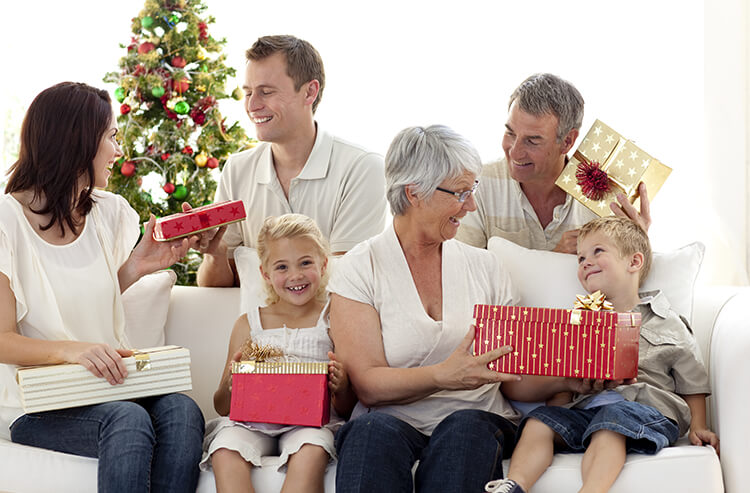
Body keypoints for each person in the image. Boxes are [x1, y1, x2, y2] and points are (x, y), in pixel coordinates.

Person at [0, 82, 205, 492]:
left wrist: (137, 267)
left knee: (183, 411)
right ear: (76, 140)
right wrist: (73, 351)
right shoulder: (7, 220)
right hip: (34, 404)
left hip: (104, 388)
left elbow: (76, 294)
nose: (119, 149)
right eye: (111, 136)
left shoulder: (108, 212)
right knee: (126, 420)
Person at [328, 125, 523, 493]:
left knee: (464, 428)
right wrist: (443, 375)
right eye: (461, 193)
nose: (471, 205)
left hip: (477, 418)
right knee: (370, 433)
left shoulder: (486, 267)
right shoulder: (359, 267)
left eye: (473, 189)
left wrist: (569, 379)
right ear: (414, 193)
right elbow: (368, 384)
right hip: (389, 419)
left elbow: (514, 371)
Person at [487, 216, 718, 493]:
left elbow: (691, 379)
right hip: (586, 410)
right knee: (538, 422)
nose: (585, 261)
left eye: (598, 251)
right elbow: (562, 385)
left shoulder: (665, 319)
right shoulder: (574, 323)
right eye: (580, 257)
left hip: (646, 409)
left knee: (611, 421)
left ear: (634, 262)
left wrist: (699, 425)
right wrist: (557, 415)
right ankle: (514, 485)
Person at [196, 35, 388, 287]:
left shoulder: (362, 169)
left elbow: (345, 285)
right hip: (256, 326)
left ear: (310, 92)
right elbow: (217, 288)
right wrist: (216, 255)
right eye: (248, 93)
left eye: (266, 92)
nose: (252, 105)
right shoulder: (237, 170)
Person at [202, 213, 357, 493]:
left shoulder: (333, 317)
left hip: (312, 423)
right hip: (251, 423)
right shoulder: (249, 323)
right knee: (225, 450)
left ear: (323, 264)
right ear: (265, 274)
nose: (295, 275)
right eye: (282, 267)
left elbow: (346, 406)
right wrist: (231, 385)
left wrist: (342, 386)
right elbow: (222, 405)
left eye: (306, 263)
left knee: (311, 450)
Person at [456, 73, 651, 253]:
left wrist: (637, 245)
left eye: (532, 141)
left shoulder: (606, 196)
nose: (514, 151)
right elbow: (466, 276)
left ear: (567, 141)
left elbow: (627, 283)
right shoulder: (478, 185)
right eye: (510, 133)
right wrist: (554, 259)